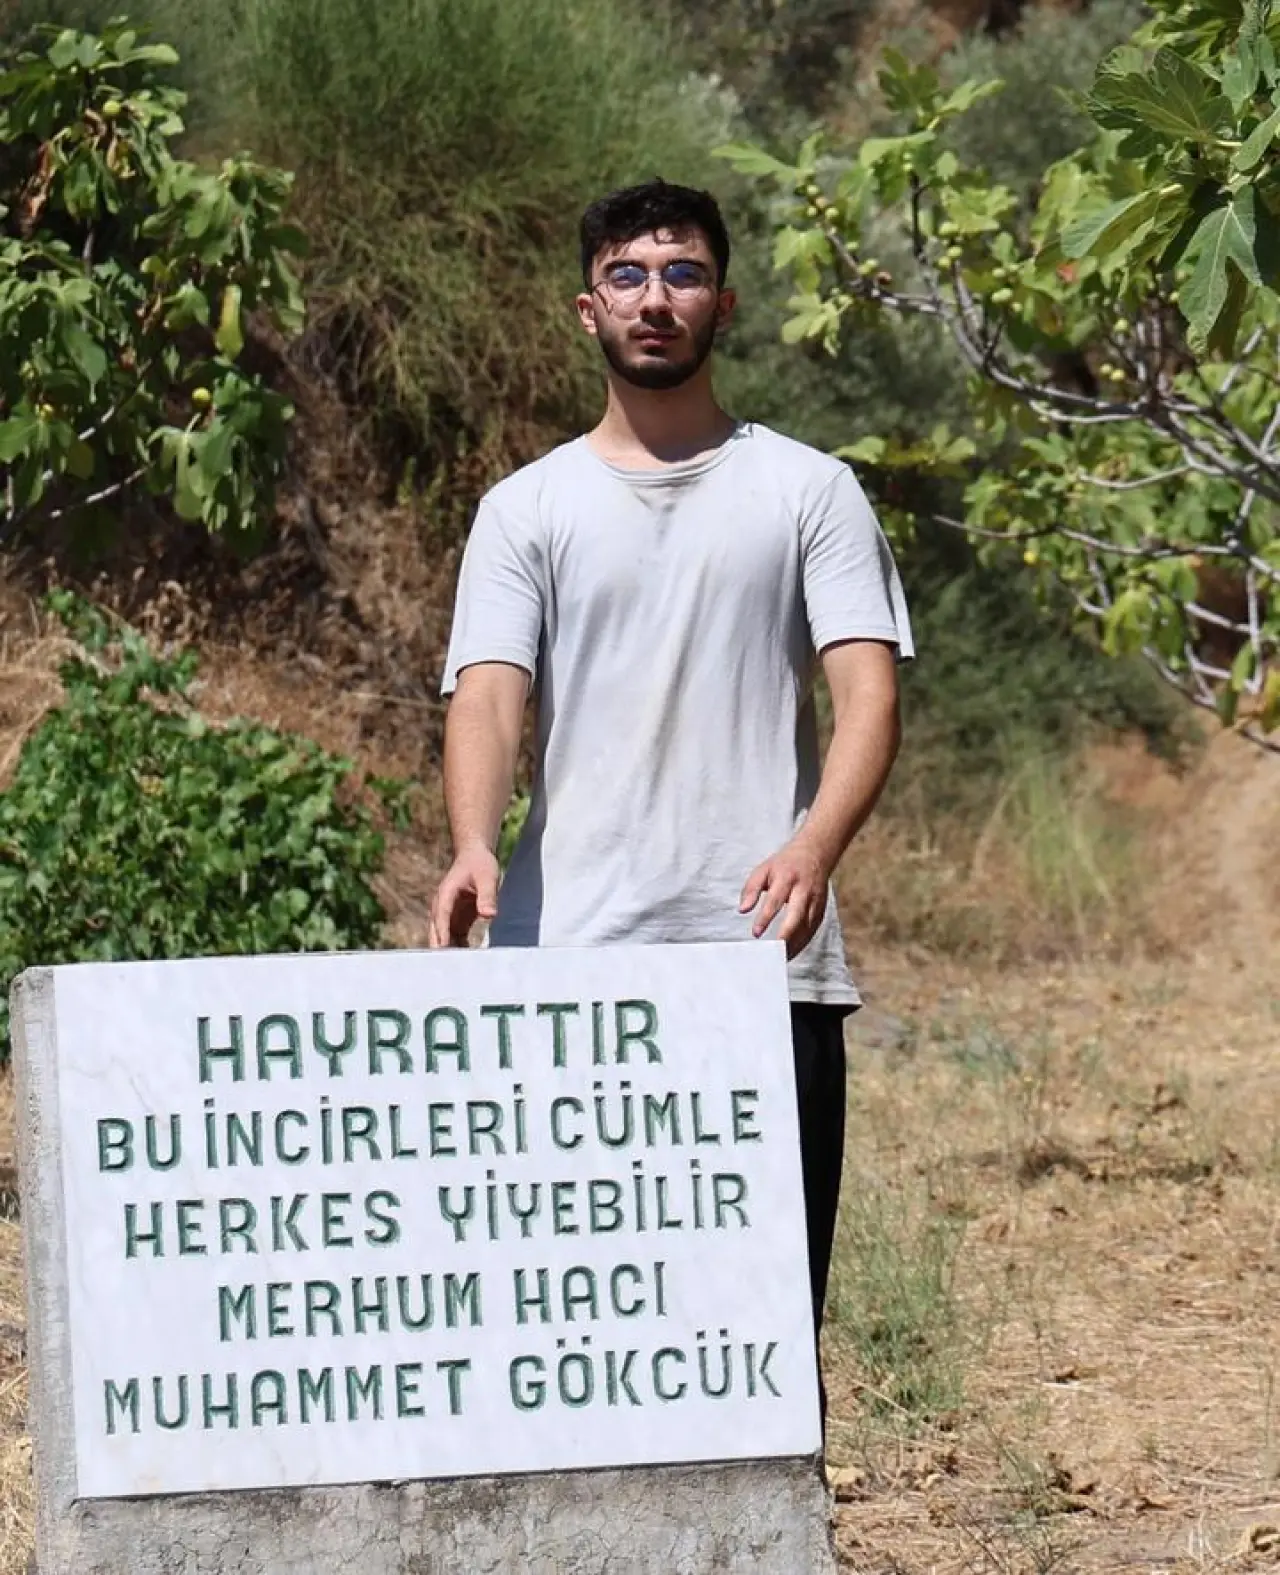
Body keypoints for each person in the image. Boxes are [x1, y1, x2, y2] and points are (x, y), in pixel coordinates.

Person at [428, 178, 913, 1423]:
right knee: (564, 1326)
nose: (656, 298)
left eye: (682, 274)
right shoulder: (525, 508)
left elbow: (865, 696)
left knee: (760, 1333)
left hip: (761, 960)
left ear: (722, 305)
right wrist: (473, 843)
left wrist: (813, 845)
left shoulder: (807, 490)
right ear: (586, 308)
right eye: (629, 276)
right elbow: (487, 696)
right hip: (565, 961)